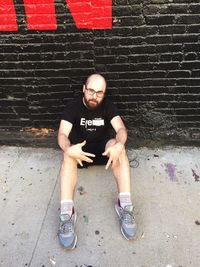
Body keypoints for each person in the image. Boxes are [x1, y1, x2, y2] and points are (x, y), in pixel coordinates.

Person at [57, 73, 137, 249]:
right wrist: (68, 148)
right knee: (67, 154)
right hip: (81, 151)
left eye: (99, 93)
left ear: (104, 93)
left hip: (103, 150)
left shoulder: (108, 106)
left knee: (120, 148)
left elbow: (121, 128)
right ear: (84, 89)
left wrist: (120, 143)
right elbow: (62, 134)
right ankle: (66, 214)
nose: (94, 96)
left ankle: (124, 206)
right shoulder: (74, 105)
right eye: (91, 91)